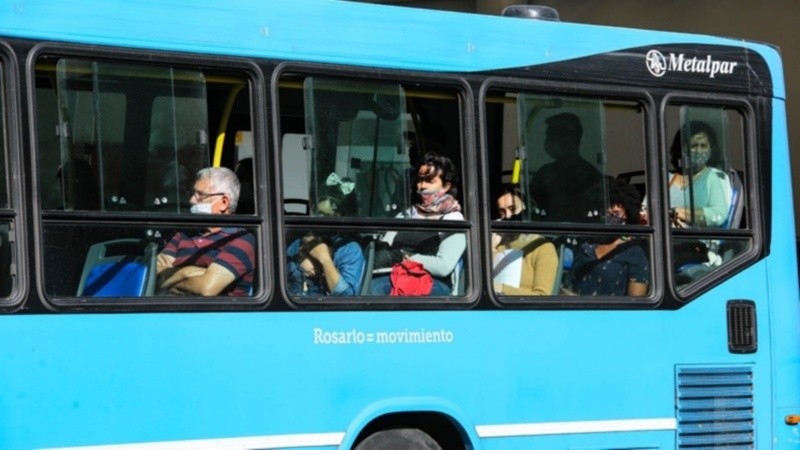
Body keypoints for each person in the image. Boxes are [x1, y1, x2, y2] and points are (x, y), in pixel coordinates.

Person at [369, 152, 466, 296]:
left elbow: (444, 266)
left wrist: (408, 259)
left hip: (433, 281)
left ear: (446, 186)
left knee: (374, 290)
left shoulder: (453, 218)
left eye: (430, 181)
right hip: (398, 273)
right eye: (420, 180)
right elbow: (385, 245)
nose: (422, 186)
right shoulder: (406, 214)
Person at [157, 167, 256, 296]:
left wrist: (175, 274)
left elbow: (206, 289)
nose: (192, 200)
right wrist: (188, 272)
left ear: (223, 203)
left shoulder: (240, 240)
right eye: (193, 193)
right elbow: (156, 273)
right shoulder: (184, 234)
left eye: (200, 195)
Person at [286, 174, 365, 296]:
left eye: (325, 216)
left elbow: (346, 297)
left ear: (340, 217)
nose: (319, 220)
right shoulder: (305, 238)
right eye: (316, 214)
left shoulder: (349, 249)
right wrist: (301, 258)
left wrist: (325, 260)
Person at [568, 179, 649, 296]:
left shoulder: (634, 252)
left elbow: (637, 302)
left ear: (629, 213)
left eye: (617, 211)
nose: (611, 212)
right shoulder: (584, 244)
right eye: (607, 208)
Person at [530, 112, 605, 222]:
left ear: (567, 140)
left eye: (551, 137)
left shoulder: (589, 176)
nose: (547, 142)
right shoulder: (545, 172)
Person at [492, 184, 559, 295]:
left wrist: (502, 289)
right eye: (502, 211)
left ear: (527, 208)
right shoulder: (499, 243)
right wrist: (492, 247)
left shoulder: (542, 248)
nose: (508, 216)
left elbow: (542, 296)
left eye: (512, 209)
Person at [666, 121, 731, 228]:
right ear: (682, 149)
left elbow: (718, 215)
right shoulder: (666, 178)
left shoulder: (716, 177)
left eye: (703, 146)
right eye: (694, 145)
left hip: (695, 242)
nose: (698, 150)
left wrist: (675, 212)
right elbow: (646, 210)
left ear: (711, 149)